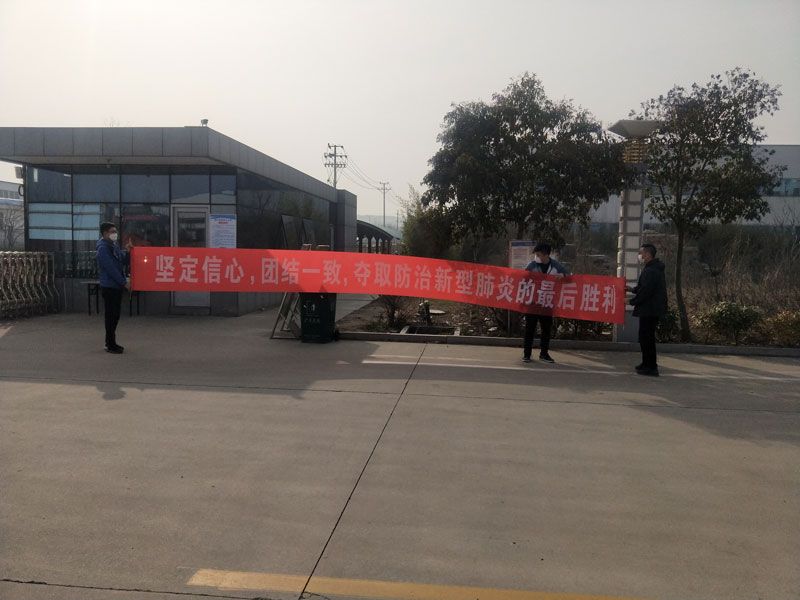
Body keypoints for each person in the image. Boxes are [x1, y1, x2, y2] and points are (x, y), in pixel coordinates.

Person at [522, 242, 569, 364]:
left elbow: (569, 277)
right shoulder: (532, 265)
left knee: (546, 330)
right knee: (529, 329)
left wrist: (562, 276)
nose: (536, 257)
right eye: (536, 254)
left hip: (547, 303)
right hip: (533, 303)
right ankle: (527, 354)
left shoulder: (556, 266)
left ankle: (544, 354)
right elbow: (522, 279)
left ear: (546, 254)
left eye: (538, 254)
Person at [627, 243, 667, 376]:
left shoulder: (652, 270)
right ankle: (646, 363)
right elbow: (643, 287)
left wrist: (630, 301)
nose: (640, 256)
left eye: (641, 253)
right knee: (645, 337)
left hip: (650, 310)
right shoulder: (651, 268)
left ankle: (651, 367)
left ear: (648, 254)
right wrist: (632, 289)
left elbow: (646, 292)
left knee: (647, 338)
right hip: (649, 309)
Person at [96, 222, 132, 354]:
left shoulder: (113, 246)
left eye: (115, 231)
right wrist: (123, 282)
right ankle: (110, 344)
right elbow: (111, 269)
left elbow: (123, 260)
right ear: (105, 233)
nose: (115, 234)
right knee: (111, 316)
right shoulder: (103, 249)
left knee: (115, 315)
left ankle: (111, 342)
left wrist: (128, 252)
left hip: (116, 286)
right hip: (109, 286)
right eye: (112, 231)